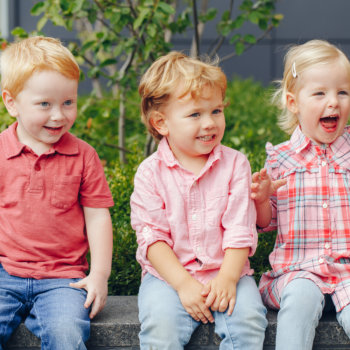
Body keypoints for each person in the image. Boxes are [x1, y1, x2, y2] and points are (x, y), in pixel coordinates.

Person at [130, 51, 267, 350]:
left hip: (227, 270)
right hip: (168, 277)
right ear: (162, 123)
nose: (210, 123)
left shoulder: (235, 165)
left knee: (248, 321)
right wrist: (183, 285)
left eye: (216, 111)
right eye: (195, 114)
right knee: (161, 325)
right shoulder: (150, 174)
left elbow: (240, 229)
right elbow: (152, 239)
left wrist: (229, 278)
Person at [0, 36, 114, 350]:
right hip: (5, 272)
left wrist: (99, 274)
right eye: (44, 104)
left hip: (63, 278)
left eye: (68, 102)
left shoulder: (83, 156)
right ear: (12, 103)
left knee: (67, 334)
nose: (58, 115)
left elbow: (97, 217)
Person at [251, 39, 350, 350]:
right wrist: (261, 200)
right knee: (301, 300)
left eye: (342, 92)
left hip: (347, 275)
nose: (333, 102)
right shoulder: (281, 159)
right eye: (320, 93)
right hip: (298, 271)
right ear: (293, 102)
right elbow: (266, 222)